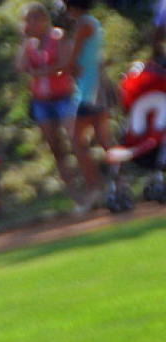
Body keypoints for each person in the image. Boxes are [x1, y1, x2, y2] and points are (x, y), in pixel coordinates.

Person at [16, 1, 79, 202]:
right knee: (55, 146)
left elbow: (66, 63)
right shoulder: (29, 45)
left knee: (74, 140)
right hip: (41, 101)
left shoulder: (57, 37)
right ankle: (73, 192)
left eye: (33, 19)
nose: (30, 24)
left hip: (62, 96)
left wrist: (43, 71)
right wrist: (22, 42)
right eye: (27, 20)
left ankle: (90, 181)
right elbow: (20, 67)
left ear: (43, 20)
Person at [64, 0, 112, 214]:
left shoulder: (83, 24)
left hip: (86, 91)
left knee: (77, 142)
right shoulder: (92, 23)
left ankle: (94, 189)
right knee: (104, 140)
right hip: (96, 88)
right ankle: (116, 185)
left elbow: (72, 61)